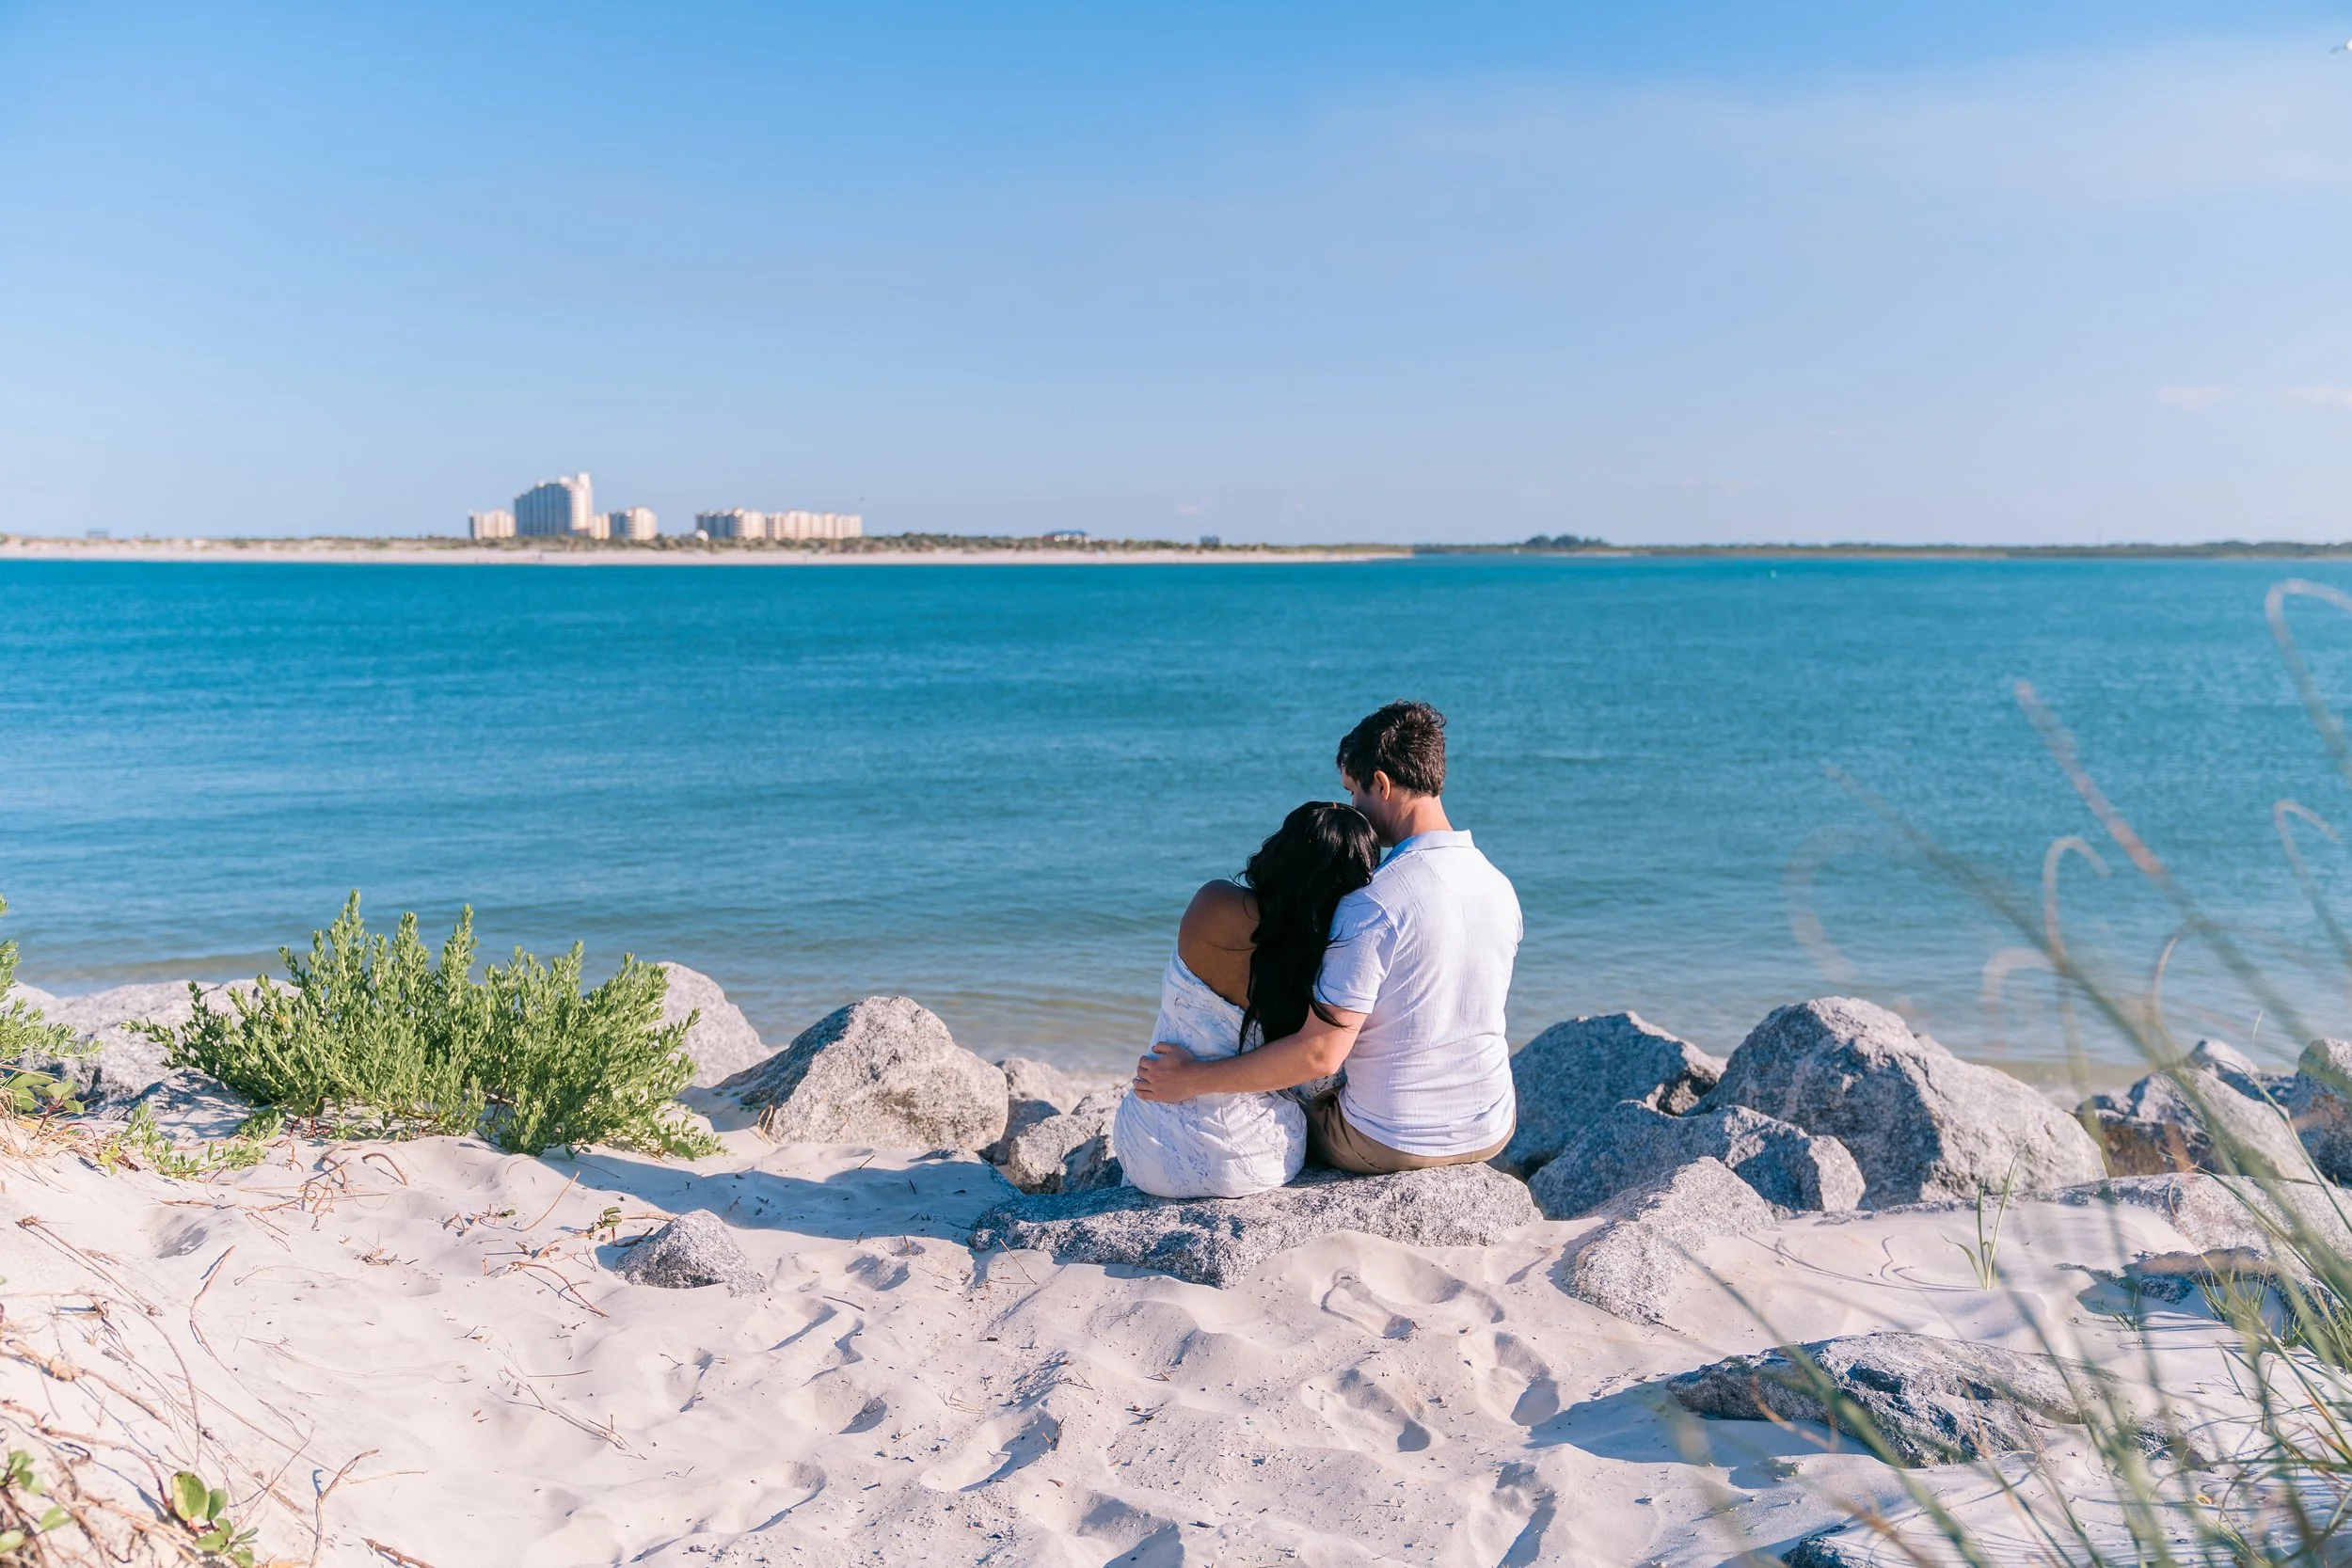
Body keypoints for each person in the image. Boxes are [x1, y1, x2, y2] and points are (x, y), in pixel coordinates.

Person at [1132, 701, 1522, 1175]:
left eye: (1354, 792)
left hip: (1389, 1141)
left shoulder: (1375, 900)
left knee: (1294, 1089)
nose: (1353, 808)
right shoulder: (1499, 886)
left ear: (1381, 783)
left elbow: (1321, 1054)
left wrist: (1192, 1079)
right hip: (1492, 1128)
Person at [1114, 801, 1378, 1198]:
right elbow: (1315, 1075)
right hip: (1253, 1162)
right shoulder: (1331, 960)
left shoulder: (1214, 902)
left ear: (1280, 849)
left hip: (1147, 1145)